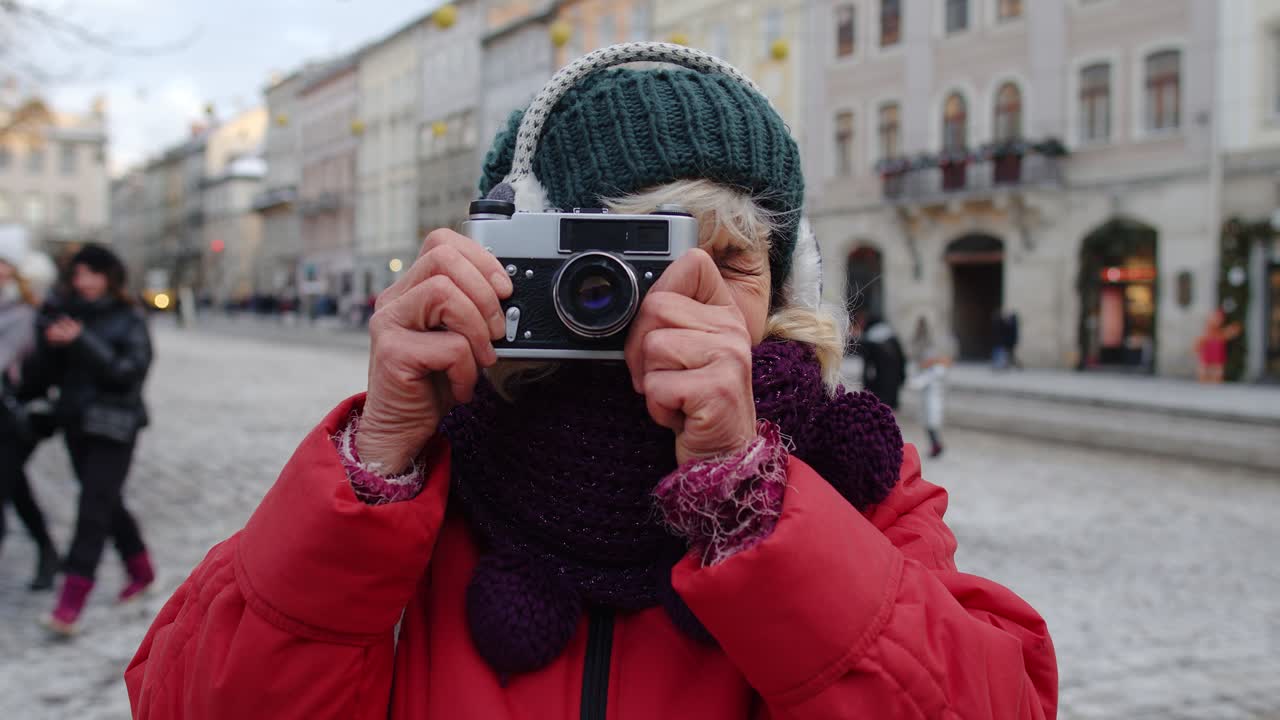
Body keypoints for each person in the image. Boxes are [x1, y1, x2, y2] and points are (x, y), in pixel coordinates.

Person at [126, 46, 1056, 719]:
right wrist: (377, 463)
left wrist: (751, 499)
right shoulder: (430, 468)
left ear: (783, 290)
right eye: (623, 264)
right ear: (517, 260)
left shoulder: (852, 476)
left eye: (727, 260)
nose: (678, 298)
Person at [16, 244, 156, 635]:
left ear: (110, 276)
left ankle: (70, 602)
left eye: (93, 274)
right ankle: (141, 569)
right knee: (106, 502)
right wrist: (48, 341)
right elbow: (40, 377)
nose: (85, 282)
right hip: (76, 425)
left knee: (92, 508)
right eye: (79, 275)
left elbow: (128, 372)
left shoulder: (129, 317)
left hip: (116, 426)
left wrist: (81, 342)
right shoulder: (65, 313)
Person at [0, 224, 59, 591]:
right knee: (15, 488)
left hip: (16, 417)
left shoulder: (31, 312)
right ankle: (48, 550)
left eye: (4, 263)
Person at [908, 316, 956, 459]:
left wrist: (914, 381)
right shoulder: (933, 369)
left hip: (933, 401)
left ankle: (937, 446)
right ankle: (935, 445)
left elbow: (920, 382)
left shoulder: (937, 370)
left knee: (932, 424)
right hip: (929, 401)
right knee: (929, 425)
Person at [856, 312, 907, 409]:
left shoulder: (871, 339)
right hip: (891, 379)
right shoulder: (891, 336)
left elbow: (868, 365)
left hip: (880, 380)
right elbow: (901, 359)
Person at [1194, 308, 1240, 384]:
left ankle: (1214, 383)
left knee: (1217, 373)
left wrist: (1233, 330)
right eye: (1215, 318)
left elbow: (1229, 333)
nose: (1216, 321)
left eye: (1219, 319)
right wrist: (1196, 348)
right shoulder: (1208, 333)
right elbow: (1200, 341)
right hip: (1207, 356)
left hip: (1217, 357)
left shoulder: (1220, 333)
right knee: (1204, 372)